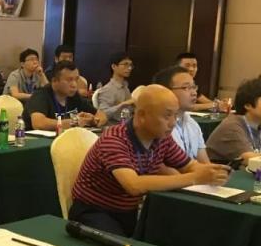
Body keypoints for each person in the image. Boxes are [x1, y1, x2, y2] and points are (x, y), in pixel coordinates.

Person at [70, 85, 229, 236]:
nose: (173, 123)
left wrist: (214, 172)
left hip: (130, 212)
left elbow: (189, 165)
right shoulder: (114, 139)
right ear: (141, 116)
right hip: (94, 211)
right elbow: (134, 185)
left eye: (175, 115)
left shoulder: (162, 138)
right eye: (167, 116)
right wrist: (194, 178)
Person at [23, 61, 105, 131]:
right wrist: (74, 122)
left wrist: (94, 120)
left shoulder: (74, 96)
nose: (74, 85)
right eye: (69, 80)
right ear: (54, 81)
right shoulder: (40, 95)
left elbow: (101, 115)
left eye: (76, 79)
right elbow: (38, 124)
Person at [153, 65, 210, 162]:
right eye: (186, 87)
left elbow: (205, 163)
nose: (194, 93)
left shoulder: (192, 124)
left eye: (194, 87)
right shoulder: (158, 128)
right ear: (166, 91)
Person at [206, 78, 261, 165]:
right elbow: (249, 159)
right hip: (219, 172)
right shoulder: (232, 127)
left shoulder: (257, 124)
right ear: (248, 105)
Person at [96, 52, 135, 125]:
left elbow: (129, 111)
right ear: (114, 66)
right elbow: (101, 113)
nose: (129, 68)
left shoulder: (125, 87)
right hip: (113, 127)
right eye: (125, 64)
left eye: (130, 65)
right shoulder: (107, 89)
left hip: (126, 124)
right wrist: (122, 104)